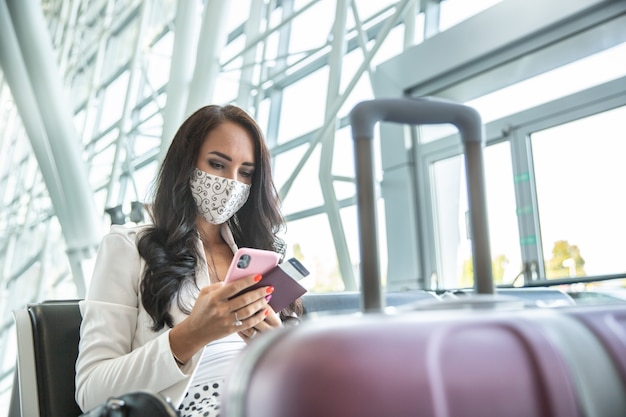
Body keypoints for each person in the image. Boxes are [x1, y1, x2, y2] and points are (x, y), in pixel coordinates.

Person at [75, 104, 302, 417]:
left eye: (246, 173)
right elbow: (91, 392)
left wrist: (274, 349)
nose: (231, 183)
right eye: (217, 164)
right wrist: (190, 336)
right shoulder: (127, 247)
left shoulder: (260, 257)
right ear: (185, 164)